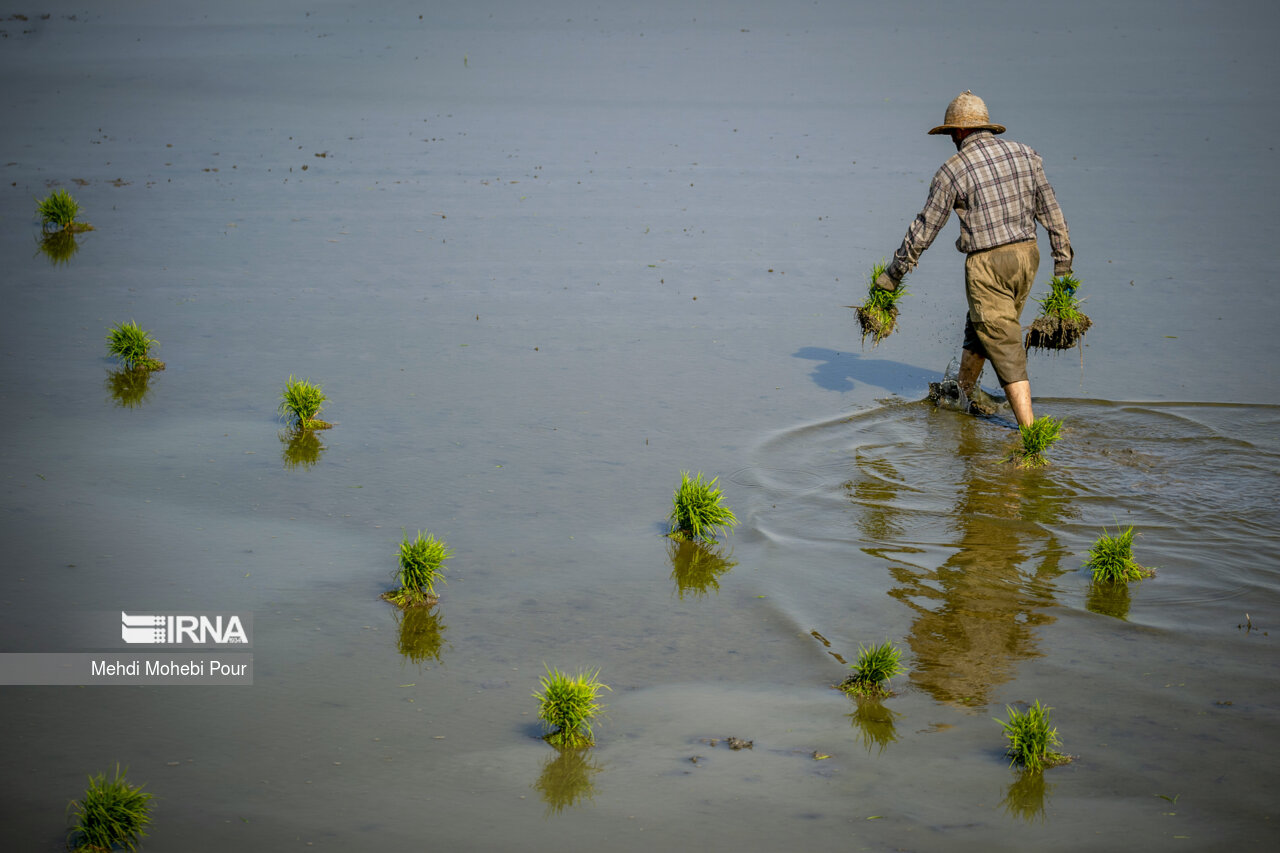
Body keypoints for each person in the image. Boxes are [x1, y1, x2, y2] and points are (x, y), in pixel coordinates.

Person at [874, 91, 1072, 427]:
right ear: (986, 128)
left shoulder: (952, 170)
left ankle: (1030, 436)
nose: (951, 138)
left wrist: (893, 275)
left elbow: (925, 228)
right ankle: (962, 397)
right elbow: (1051, 212)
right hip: (1027, 257)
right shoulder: (1026, 155)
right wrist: (1063, 266)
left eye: (952, 133)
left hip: (987, 265)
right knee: (983, 328)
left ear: (960, 132)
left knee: (1003, 343)